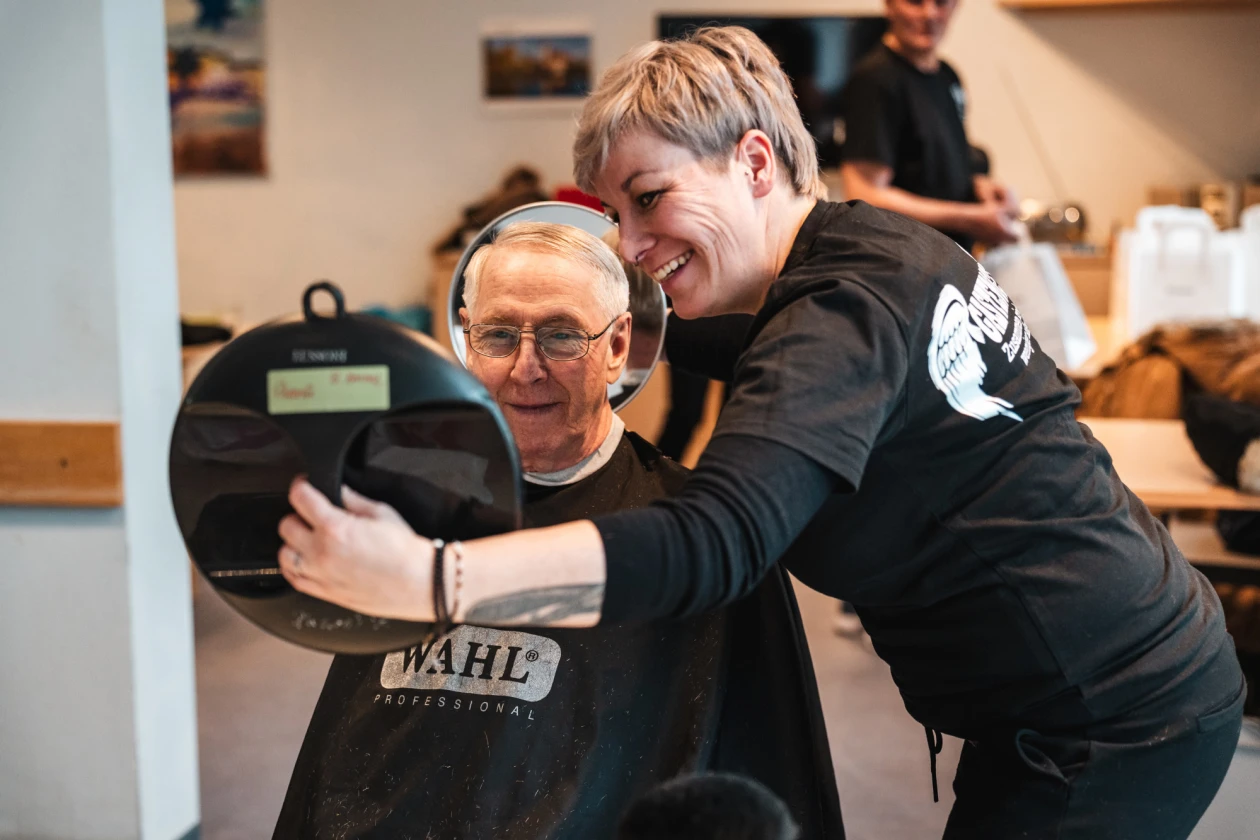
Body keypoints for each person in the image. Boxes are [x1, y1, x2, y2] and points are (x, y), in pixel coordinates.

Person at [278, 27, 1245, 839]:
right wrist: (462, 349)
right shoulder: (862, 253)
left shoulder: (842, 311)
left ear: (752, 159)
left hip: (1109, 715)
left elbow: (719, 539)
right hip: (1070, 682)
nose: (632, 245)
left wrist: (433, 579)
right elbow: (664, 340)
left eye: (649, 199)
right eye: (613, 217)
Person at [272, 222, 843, 839]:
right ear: (466, 339)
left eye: (561, 336)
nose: (525, 369)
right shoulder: (407, 507)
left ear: (618, 346)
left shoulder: (691, 530)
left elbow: (770, 770)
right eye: (497, 336)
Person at [838, 0, 1018, 253]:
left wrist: (982, 189)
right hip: (906, 262)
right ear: (890, 6)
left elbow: (939, 166)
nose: (929, 14)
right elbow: (865, 193)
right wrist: (972, 218)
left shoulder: (947, 76)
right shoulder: (876, 80)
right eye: (915, 2)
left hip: (950, 260)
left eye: (941, 3)